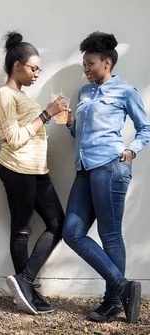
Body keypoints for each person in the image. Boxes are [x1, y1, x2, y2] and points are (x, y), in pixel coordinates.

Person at [62, 31, 150, 324]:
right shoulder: (84, 93)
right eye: (84, 64)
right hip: (84, 169)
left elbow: (145, 128)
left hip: (111, 166)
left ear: (107, 63)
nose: (86, 69)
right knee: (72, 232)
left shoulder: (125, 91)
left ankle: (113, 301)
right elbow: (81, 134)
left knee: (110, 236)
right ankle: (124, 287)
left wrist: (132, 150)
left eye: (90, 63)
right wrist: (70, 123)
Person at [0, 32, 68, 315]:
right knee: (22, 230)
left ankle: (25, 281)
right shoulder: (5, 94)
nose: (37, 73)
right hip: (16, 168)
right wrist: (47, 114)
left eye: (39, 69)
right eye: (33, 67)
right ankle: (26, 292)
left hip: (37, 169)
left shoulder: (21, 96)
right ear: (17, 66)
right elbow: (13, 138)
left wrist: (58, 116)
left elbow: (30, 131)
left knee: (57, 223)